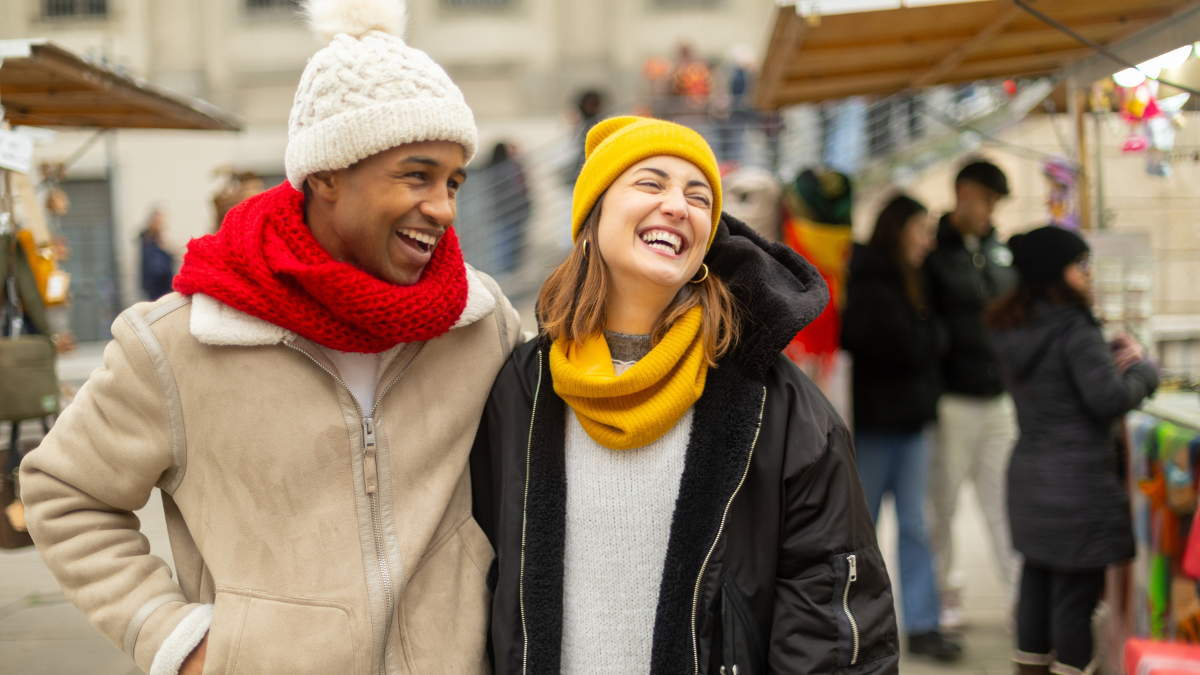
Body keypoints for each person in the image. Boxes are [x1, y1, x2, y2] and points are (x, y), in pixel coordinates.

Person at [20, 2, 521, 674]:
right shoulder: (181, 343)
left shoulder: (479, 320)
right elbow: (62, 490)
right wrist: (179, 640)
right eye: (417, 174)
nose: (444, 207)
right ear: (326, 174)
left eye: (454, 180)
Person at [471, 116, 899, 674]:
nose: (678, 205)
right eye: (650, 183)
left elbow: (830, 607)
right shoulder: (523, 386)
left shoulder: (772, 399)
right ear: (592, 215)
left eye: (699, 196)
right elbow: (478, 572)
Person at [987, 226, 1158, 675]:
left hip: (1030, 479)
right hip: (1078, 485)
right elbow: (1108, 399)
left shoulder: (1014, 326)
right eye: (1082, 265)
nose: (1089, 274)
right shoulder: (1073, 327)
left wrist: (1102, 356)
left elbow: (1060, 385)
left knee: (1037, 585)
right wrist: (1143, 369)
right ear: (1056, 272)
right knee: (1074, 599)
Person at [841, 195, 961, 661]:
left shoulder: (918, 276)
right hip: (874, 427)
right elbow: (897, 344)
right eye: (920, 229)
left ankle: (923, 624)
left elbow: (928, 339)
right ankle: (855, 628)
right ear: (897, 230)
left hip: (911, 423)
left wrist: (926, 337)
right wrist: (927, 337)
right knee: (858, 533)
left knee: (915, 526)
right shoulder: (868, 277)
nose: (928, 240)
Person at [924, 159, 1020, 625]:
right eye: (986, 199)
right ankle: (946, 596)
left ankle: (1021, 601)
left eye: (995, 203)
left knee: (1004, 502)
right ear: (963, 192)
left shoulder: (1001, 253)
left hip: (999, 398)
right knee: (942, 504)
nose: (989, 211)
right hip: (953, 399)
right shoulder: (934, 253)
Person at [486, 142, 531, 275]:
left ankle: (505, 271)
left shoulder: (494, 168)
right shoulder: (509, 167)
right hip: (511, 210)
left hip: (504, 211)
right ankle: (505, 271)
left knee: (506, 239)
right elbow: (518, 189)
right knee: (508, 240)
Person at [140, 209, 176, 301]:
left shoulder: (157, 240)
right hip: (157, 285)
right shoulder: (149, 241)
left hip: (160, 284)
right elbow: (155, 267)